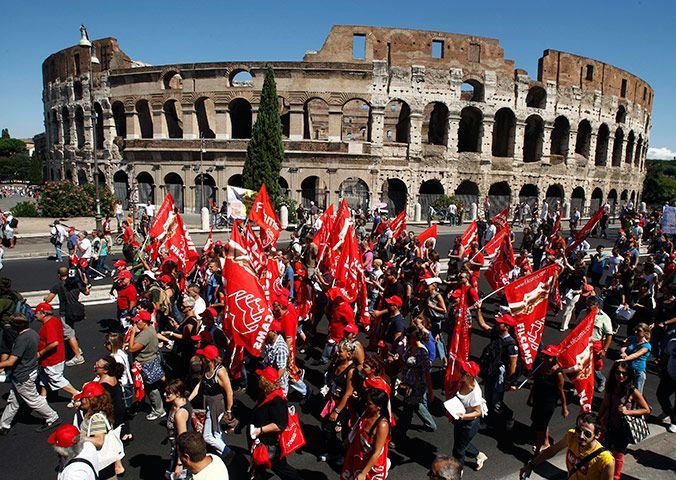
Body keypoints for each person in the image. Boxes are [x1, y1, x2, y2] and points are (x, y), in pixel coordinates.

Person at [0, 314, 61, 434]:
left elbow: (11, 361)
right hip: (30, 370)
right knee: (14, 401)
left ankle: (52, 417)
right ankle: (3, 425)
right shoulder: (33, 333)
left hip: (23, 375)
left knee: (33, 400)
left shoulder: (22, 339)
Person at [520, 412, 614, 480]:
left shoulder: (605, 460)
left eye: (587, 434)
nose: (581, 436)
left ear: (597, 435)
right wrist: (531, 465)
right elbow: (552, 450)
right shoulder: (572, 436)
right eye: (578, 430)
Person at [599, 362, 651, 480]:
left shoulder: (632, 391)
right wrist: (598, 419)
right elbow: (605, 403)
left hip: (623, 429)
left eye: (624, 373)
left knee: (618, 455)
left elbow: (646, 409)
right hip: (609, 424)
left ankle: (615, 477)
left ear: (629, 375)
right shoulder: (611, 387)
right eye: (618, 372)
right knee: (604, 451)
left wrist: (628, 412)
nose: (620, 376)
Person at [250, 366, 303, 480]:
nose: (258, 379)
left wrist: (260, 430)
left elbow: (280, 425)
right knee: (259, 466)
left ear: (265, 382)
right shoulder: (266, 394)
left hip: (269, 444)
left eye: (261, 377)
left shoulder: (277, 401)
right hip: (261, 441)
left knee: (281, 468)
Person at [188, 344, 235, 465]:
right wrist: (188, 400)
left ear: (208, 358)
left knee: (208, 436)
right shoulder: (206, 368)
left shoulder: (220, 371)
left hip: (217, 405)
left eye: (203, 356)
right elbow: (199, 385)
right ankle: (223, 455)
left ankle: (227, 452)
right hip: (208, 402)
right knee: (216, 433)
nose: (201, 358)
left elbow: (229, 391)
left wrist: (229, 411)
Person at [527, 345, 569, 455]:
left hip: (548, 402)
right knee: (538, 421)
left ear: (554, 358)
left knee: (541, 424)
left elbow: (561, 391)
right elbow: (535, 382)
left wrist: (564, 407)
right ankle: (544, 441)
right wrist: (530, 397)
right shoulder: (540, 367)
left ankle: (541, 446)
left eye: (549, 357)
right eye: (545, 356)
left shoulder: (558, 373)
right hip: (538, 398)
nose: (546, 359)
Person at [341, 388, 390, 480]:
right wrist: (348, 440)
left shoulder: (382, 425)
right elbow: (357, 427)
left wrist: (364, 473)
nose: (366, 404)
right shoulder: (367, 413)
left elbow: (377, 452)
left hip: (372, 465)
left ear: (379, 407)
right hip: (359, 457)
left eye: (369, 403)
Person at [72, 381, 118, 480]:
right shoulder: (94, 411)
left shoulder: (97, 418)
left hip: (102, 465)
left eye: (83, 398)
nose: (81, 400)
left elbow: (99, 441)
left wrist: (79, 438)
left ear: (91, 400)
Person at [34, 302, 80, 400]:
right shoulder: (55, 320)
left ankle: (76, 394)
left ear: (43, 314)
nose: (35, 315)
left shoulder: (48, 326)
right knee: (44, 377)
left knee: (56, 378)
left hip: (52, 359)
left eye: (37, 313)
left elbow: (54, 343)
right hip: (55, 357)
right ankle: (42, 396)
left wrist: (40, 353)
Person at [45, 266, 88, 366]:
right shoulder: (76, 283)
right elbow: (87, 292)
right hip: (75, 311)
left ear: (59, 276)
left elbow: (48, 299)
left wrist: (45, 298)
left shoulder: (58, 285)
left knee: (69, 333)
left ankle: (78, 356)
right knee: (70, 329)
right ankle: (76, 348)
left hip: (65, 312)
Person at [127, 311, 166, 421]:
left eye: (138, 321)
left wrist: (133, 333)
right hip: (151, 360)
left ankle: (159, 410)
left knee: (151, 387)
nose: (135, 324)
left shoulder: (145, 335)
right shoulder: (149, 329)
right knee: (152, 385)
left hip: (146, 363)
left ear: (144, 322)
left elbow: (132, 348)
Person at [450, 360, 487, 473]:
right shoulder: (463, 382)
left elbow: (478, 412)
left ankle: (457, 471)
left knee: (459, 449)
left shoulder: (475, 393)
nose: (460, 371)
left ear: (469, 376)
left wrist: (464, 416)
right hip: (460, 418)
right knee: (460, 442)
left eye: (463, 371)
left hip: (469, 423)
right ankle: (479, 455)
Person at [165, 379, 195, 478]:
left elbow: (183, 439)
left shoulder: (180, 413)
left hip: (181, 452)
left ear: (177, 394)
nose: (165, 394)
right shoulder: (179, 403)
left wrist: (179, 463)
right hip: (177, 449)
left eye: (169, 393)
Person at [618, 323, 652, 393]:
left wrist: (625, 358)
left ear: (645, 332)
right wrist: (623, 352)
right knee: (624, 389)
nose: (635, 332)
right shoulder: (631, 338)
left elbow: (636, 355)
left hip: (637, 372)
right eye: (635, 330)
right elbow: (624, 347)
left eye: (639, 330)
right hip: (627, 369)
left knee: (637, 393)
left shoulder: (647, 346)